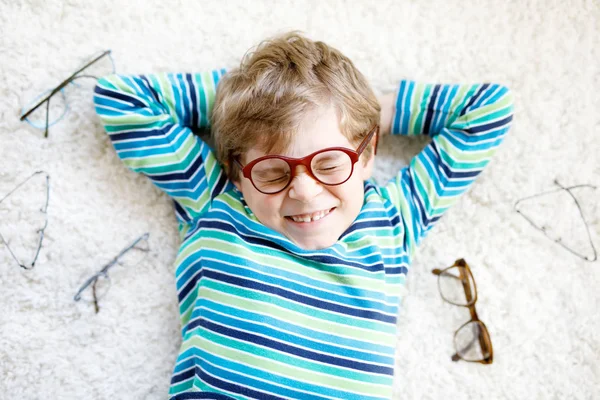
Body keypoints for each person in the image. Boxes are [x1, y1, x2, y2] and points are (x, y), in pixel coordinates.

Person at [93, 31, 513, 400]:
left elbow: (489, 110)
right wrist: (243, 106)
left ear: (367, 153)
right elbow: (121, 99)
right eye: (273, 172)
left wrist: (358, 109)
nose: (304, 191)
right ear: (238, 170)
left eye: (330, 164)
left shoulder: (394, 219)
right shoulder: (217, 198)